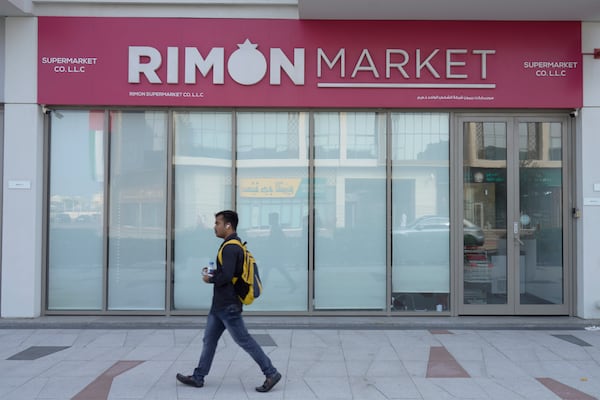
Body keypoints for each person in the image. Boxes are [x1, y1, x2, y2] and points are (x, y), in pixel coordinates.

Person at [176, 210, 282, 393]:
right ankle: (198, 377)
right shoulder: (232, 245)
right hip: (219, 306)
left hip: (228, 306)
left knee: (245, 341)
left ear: (228, 226)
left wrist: (210, 279)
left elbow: (226, 276)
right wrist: (213, 273)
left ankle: (271, 372)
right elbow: (229, 273)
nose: (214, 226)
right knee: (209, 340)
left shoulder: (231, 247)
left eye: (217, 223)